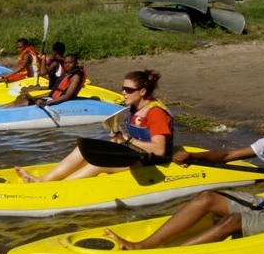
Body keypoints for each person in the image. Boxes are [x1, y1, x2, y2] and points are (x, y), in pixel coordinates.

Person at [105, 93, 264, 250]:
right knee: (207, 197)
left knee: (234, 221)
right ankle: (146, 245)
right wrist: (195, 156)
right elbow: (227, 156)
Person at [15, 69, 174, 182]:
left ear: (143, 91)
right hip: (136, 154)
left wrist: (128, 140)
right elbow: (133, 139)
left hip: (152, 162)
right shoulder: (135, 107)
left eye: (128, 89)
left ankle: (60, 188)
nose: (123, 92)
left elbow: (159, 149)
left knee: (97, 164)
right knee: (83, 149)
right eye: (123, 88)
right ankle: (43, 180)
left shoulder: (155, 113)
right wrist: (119, 139)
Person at [2, 53, 85, 108]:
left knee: (21, 103)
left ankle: (0, 114)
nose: (67, 65)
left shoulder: (75, 77)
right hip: (52, 98)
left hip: (59, 102)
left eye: (70, 62)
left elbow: (67, 96)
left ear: (76, 63)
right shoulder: (67, 74)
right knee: (19, 100)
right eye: (65, 62)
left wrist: (47, 103)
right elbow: (53, 92)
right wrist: (35, 97)